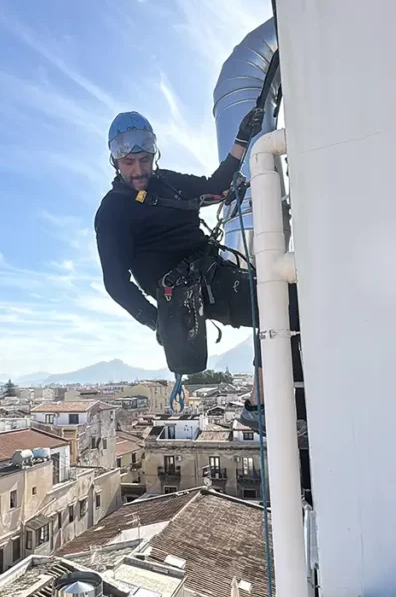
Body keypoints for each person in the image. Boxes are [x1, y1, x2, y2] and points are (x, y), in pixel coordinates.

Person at [94, 109, 311, 449]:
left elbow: (216, 188)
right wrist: (157, 322)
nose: (138, 171)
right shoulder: (113, 211)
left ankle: (268, 401)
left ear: (154, 155)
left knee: (287, 300)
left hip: (214, 272)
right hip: (192, 292)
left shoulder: (168, 182)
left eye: (144, 160)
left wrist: (241, 140)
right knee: (287, 303)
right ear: (115, 162)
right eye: (129, 163)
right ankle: (263, 404)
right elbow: (116, 283)